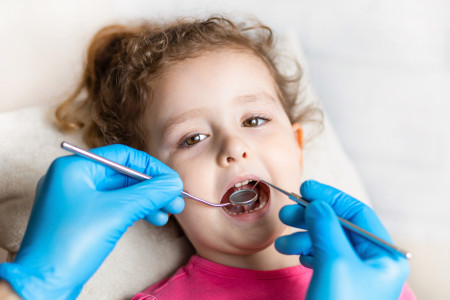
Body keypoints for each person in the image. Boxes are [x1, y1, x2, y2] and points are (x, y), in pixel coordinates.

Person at [0, 16, 416, 300]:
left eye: (254, 119)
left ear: (298, 146)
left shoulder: (377, 280)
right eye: (192, 137)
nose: (234, 147)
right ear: (149, 183)